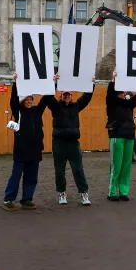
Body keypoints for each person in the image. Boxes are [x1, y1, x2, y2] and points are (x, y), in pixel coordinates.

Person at [3, 74, 52, 211]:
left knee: (31, 176)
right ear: (22, 101)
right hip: (21, 149)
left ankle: (27, 199)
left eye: (31, 99)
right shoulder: (18, 112)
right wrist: (15, 82)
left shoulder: (38, 110)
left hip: (35, 149)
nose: (29, 101)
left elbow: (46, 99)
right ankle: (8, 200)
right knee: (16, 175)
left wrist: (52, 84)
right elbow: (13, 100)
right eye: (27, 99)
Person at [44, 75, 94, 206]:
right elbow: (48, 96)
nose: (66, 96)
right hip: (59, 143)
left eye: (68, 95)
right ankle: (61, 193)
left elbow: (87, 97)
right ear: (61, 95)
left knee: (78, 169)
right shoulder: (56, 107)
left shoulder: (76, 106)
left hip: (73, 143)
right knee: (59, 170)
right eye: (64, 94)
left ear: (71, 96)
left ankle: (84, 193)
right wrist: (54, 83)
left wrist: (91, 84)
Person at [105, 72, 136, 201]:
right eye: (121, 91)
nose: (124, 93)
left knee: (126, 166)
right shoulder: (112, 103)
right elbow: (109, 93)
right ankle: (112, 192)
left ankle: (123, 191)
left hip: (129, 136)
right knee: (116, 165)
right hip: (117, 136)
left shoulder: (128, 104)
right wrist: (112, 80)